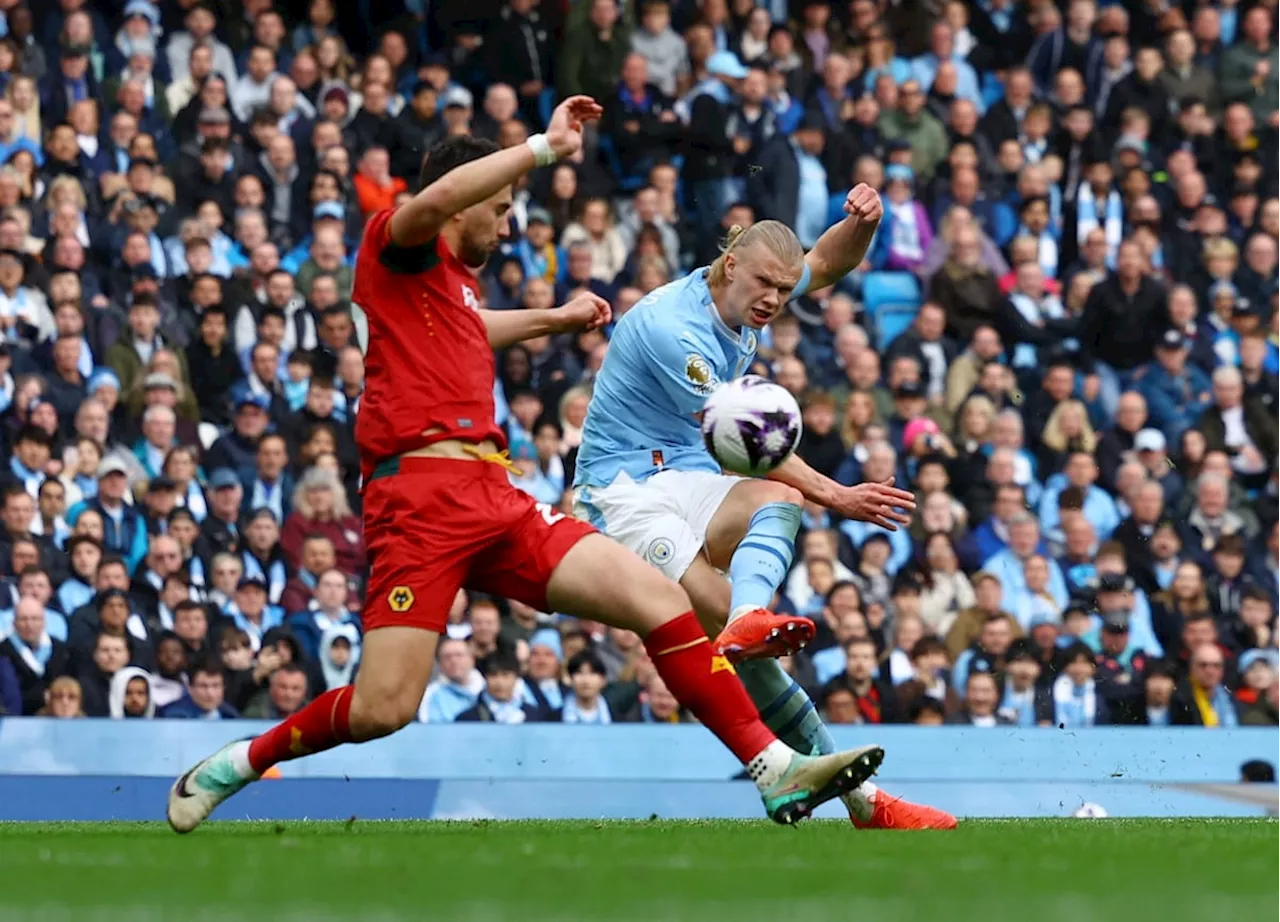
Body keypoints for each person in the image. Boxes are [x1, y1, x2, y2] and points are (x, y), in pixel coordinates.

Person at [167, 97, 882, 833]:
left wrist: (552, 319)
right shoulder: (396, 241)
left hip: (493, 494)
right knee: (385, 708)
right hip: (417, 504)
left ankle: (774, 770)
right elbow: (439, 199)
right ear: (464, 198)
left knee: (659, 602)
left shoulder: (449, 286)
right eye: (501, 208)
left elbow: (467, 330)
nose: (507, 224)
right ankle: (241, 762)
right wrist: (544, 147)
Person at [573, 187, 953, 828]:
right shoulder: (676, 330)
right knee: (723, 618)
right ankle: (865, 802)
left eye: (783, 288)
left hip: (685, 478)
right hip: (622, 493)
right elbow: (749, 437)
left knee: (773, 512)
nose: (775, 300)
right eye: (766, 286)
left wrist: (861, 224)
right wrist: (838, 495)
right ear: (729, 267)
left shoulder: (751, 292)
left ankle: (752, 618)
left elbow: (827, 265)